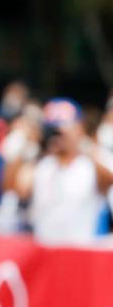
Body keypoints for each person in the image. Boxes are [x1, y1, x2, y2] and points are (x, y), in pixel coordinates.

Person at [28, 98, 113, 246]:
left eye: (61, 127)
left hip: (79, 254)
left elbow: (109, 180)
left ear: (79, 127)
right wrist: (27, 145)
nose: (57, 134)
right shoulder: (43, 165)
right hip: (43, 253)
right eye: (52, 128)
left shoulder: (90, 162)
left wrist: (82, 144)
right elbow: (13, 186)